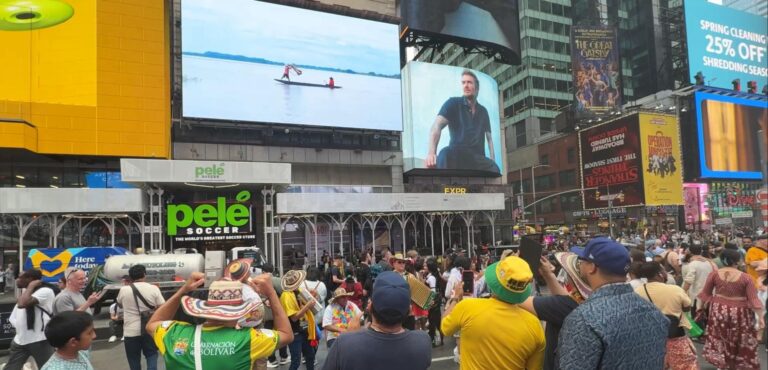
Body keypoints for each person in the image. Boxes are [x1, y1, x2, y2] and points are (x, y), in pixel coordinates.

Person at [558, 237, 668, 370]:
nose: (579, 264)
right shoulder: (653, 310)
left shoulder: (584, 319)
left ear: (592, 267)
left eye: (582, 260)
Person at [148, 272, 293, 370]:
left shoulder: (174, 333)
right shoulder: (248, 339)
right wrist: (272, 293)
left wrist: (183, 290)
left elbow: (153, 323)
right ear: (238, 313)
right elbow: (286, 334)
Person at [441, 255, 545, 369]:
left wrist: (455, 298)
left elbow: (445, 328)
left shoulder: (468, 307)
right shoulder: (535, 326)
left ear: (495, 281)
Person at [322, 271, 431, 370]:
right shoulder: (422, 341)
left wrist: (350, 339)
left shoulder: (344, 344)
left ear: (369, 307)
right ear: (410, 311)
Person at [519, 253, 591, 370]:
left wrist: (510, 273)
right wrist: (548, 274)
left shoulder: (566, 306)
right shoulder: (583, 300)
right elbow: (564, 298)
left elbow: (518, 300)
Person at [698, 249, 764, 370]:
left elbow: (705, 294)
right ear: (738, 261)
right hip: (740, 312)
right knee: (739, 337)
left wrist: (700, 309)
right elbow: (754, 300)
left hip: (718, 309)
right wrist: (760, 317)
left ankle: (723, 363)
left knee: (720, 336)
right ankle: (737, 363)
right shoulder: (746, 278)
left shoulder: (714, 274)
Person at [425, 69, 499, 173]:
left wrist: (493, 160)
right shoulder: (453, 103)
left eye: (469, 82)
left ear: (477, 87)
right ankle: (441, 187)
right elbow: (436, 126)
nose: (465, 85)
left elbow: (489, 138)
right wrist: (431, 153)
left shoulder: (483, 111)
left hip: (477, 158)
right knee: (444, 154)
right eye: (463, 82)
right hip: (457, 153)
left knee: (495, 169)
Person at [634, 262, 697, 370]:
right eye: (664, 270)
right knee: (684, 365)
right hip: (675, 334)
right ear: (659, 274)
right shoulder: (675, 289)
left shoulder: (637, 291)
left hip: (651, 337)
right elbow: (687, 307)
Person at [116, 265, 165, 370]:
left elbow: (119, 304)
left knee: (133, 359)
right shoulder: (153, 288)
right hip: (149, 329)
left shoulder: (124, 290)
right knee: (151, 354)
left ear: (131, 277)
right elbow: (163, 308)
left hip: (130, 331)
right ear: (144, 274)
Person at [5, 269, 56, 370]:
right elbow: (17, 312)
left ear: (31, 279)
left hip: (39, 340)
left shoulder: (46, 291)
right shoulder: (26, 291)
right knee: (11, 368)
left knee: (48, 368)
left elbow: (22, 304)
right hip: (20, 340)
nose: (17, 280)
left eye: (20, 277)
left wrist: (31, 286)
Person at [280, 270, 318, 370]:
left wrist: (312, 296)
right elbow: (294, 317)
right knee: (296, 361)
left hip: (305, 329)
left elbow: (306, 303)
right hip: (294, 331)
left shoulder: (299, 291)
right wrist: (307, 306)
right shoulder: (286, 296)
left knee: (310, 356)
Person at [260, 263, 290, 368]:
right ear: (272, 271)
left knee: (269, 336)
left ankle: (271, 360)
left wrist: (265, 300)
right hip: (279, 314)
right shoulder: (278, 280)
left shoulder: (260, 282)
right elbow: (286, 293)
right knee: (282, 334)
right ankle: (284, 357)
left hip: (267, 316)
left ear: (263, 271)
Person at [682, 243, 716, 312]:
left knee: (697, 317)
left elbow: (688, 281)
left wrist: (682, 293)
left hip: (697, 296)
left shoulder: (693, 264)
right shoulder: (710, 262)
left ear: (690, 252)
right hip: (710, 294)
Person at [425, 257, 443, 347]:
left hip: (433, 299)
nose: (424, 267)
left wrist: (430, 302)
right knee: (437, 318)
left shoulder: (431, 277)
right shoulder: (436, 275)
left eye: (426, 265)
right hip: (437, 298)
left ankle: (433, 339)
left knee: (432, 320)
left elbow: (432, 290)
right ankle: (440, 338)